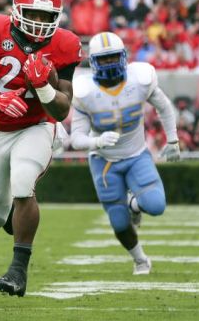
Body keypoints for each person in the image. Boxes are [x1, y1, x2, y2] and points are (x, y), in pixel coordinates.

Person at [0, 0, 81, 297]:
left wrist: (43, 87)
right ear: (17, 10)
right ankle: (19, 228)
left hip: (37, 126)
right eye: (33, 14)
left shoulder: (65, 44)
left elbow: (61, 109)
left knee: (24, 182)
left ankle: (18, 272)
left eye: (46, 17)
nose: (40, 23)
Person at [70, 32, 180, 275]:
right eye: (104, 59)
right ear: (93, 62)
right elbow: (76, 138)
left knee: (156, 205)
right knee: (119, 221)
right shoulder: (84, 91)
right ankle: (140, 260)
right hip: (104, 161)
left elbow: (164, 106)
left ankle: (134, 204)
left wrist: (173, 139)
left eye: (113, 58)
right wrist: (96, 141)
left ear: (123, 57)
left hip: (136, 154)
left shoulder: (139, 80)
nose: (109, 64)